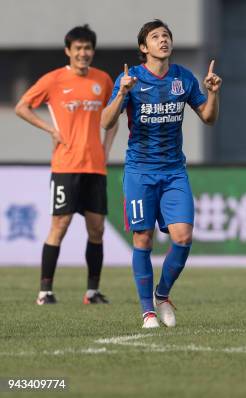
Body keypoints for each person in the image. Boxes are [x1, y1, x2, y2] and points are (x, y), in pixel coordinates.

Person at [101, 19, 221, 328]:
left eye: (166, 35)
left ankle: (162, 294)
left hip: (173, 172)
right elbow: (105, 121)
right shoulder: (130, 79)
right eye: (155, 37)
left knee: (183, 237)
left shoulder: (183, 78)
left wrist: (213, 93)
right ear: (144, 47)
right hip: (140, 172)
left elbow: (208, 118)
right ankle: (148, 312)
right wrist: (121, 94)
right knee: (143, 239)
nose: (163, 40)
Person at [15, 25, 118, 305]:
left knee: (96, 229)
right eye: (78, 49)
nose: (83, 53)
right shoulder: (54, 79)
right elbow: (22, 106)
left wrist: (106, 149)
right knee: (59, 225)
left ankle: (92, 292)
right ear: (68, 51)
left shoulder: (103, 80)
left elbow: (113, 117)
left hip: (95, 166)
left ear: (92, 51)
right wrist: (50, 129)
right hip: (66, 165)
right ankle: (45, 291)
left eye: (88, 48)